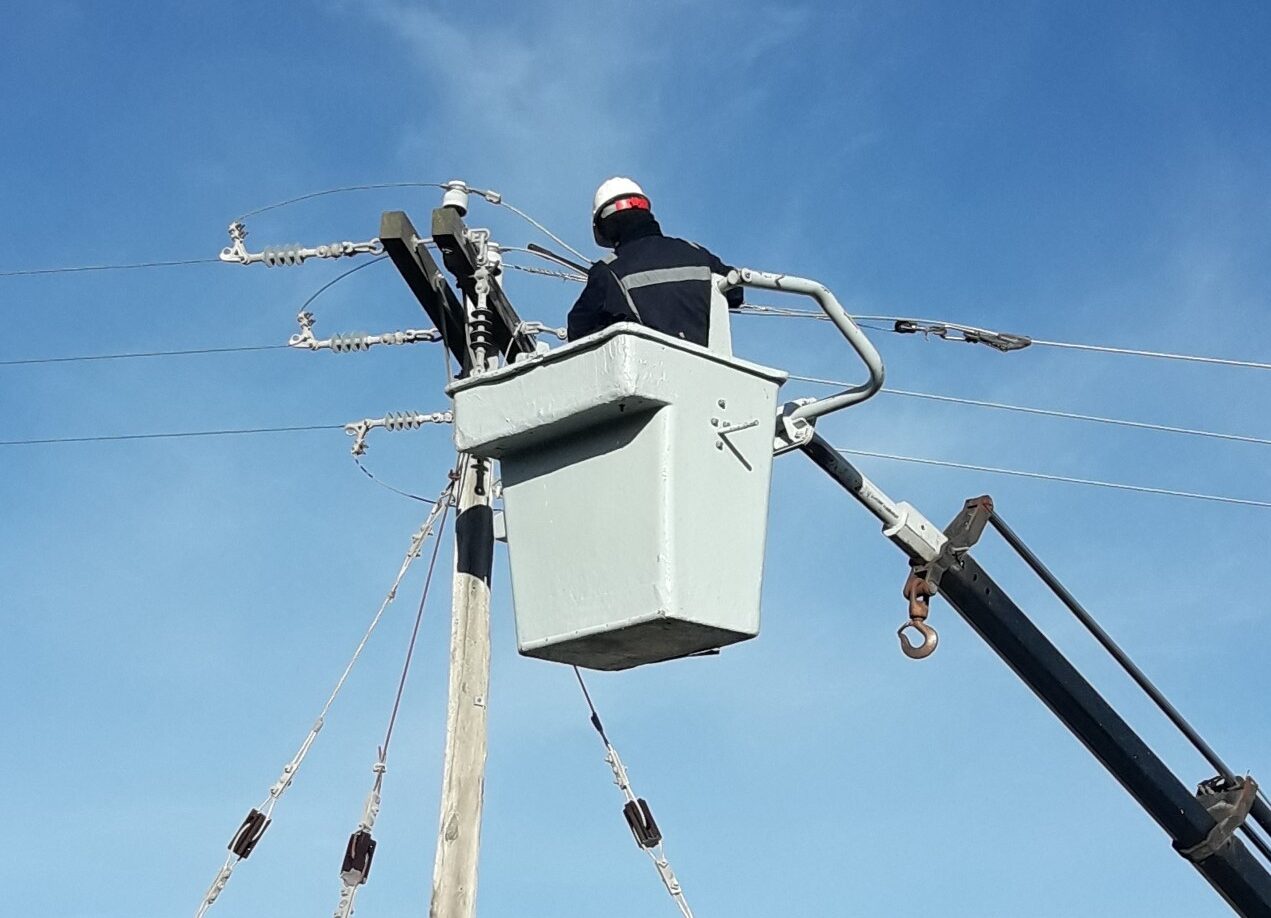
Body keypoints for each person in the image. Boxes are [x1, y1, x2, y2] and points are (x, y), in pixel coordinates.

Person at [566, 177, 742, 346]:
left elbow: (577, 329)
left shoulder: (607, 270)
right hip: (706, 364)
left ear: (605, 227)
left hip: (648, 364)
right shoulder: (696, 253)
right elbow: (735, 292)